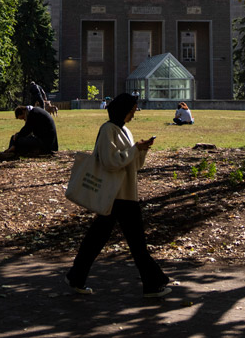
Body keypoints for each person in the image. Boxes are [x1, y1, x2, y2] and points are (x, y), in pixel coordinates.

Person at [65, 93, 172, 298]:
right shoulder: (108, 130)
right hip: (118, 196)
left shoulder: (125, 131)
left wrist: (141, 151)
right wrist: (134, 150)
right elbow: (110, 162)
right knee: (136, 243)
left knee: (96, 239)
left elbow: (133, 165)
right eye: (132, 110)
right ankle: (152, 283)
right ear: (124, 109)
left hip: (123, 194)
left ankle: (76, 276)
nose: (134, 114)